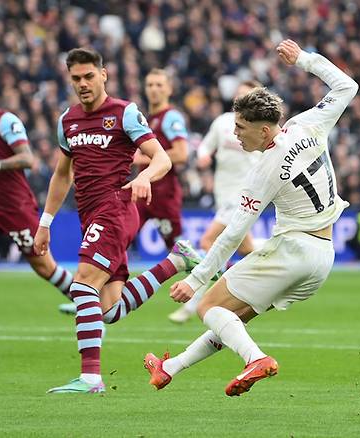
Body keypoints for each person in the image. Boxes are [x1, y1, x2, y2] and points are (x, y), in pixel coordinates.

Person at [144, 39, 358, 396]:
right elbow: (347, 86)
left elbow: (231, 236)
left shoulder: (263, 173)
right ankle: (170, 368)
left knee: (210, 306)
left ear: (263, 130)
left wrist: (195, 281)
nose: (235, 133)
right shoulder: (309, 124)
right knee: (233, 318)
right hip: (323, 257)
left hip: (293, 249)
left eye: (241, 127)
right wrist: (304, 60)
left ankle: (256, 359)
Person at [34, 48, 203, 394]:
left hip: (115, 208)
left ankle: (90, 378)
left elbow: (163, 159)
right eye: (76, 78)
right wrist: (45, 221)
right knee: (109, 309)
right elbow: (61, 176)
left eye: (89, 76)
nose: (83, 84)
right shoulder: (67, 120)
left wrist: (144, 178)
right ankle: (175, 261)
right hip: (89, 214)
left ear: (104, 75)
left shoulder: (124, 113)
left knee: (82, 285)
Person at [0, 75, 74, 347]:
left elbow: (26, 159)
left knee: (45, 268)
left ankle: (90, 309)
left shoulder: (7, 122)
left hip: (15, 206)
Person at [168, 80, 263, 324]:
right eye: (240, 95)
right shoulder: (221, 123)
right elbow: (205, 147)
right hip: (224, 196)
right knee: (246, 250)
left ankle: (194, 303)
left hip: (244, 195)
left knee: (207, 241)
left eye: (248, 96)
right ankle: (274, 274)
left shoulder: (259, 128)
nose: (242, 100)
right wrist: (203, 157)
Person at [134, 68, 189, 249]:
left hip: (164, 196)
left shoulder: (171, 117)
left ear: (169, 89)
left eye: (159, 85)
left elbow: (182, 154)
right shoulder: (148, 119)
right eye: (150, 85)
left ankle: (220, 271)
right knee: (122, 237)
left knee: (180, 251)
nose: (154, 89)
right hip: (144, 193)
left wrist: (143, 159)